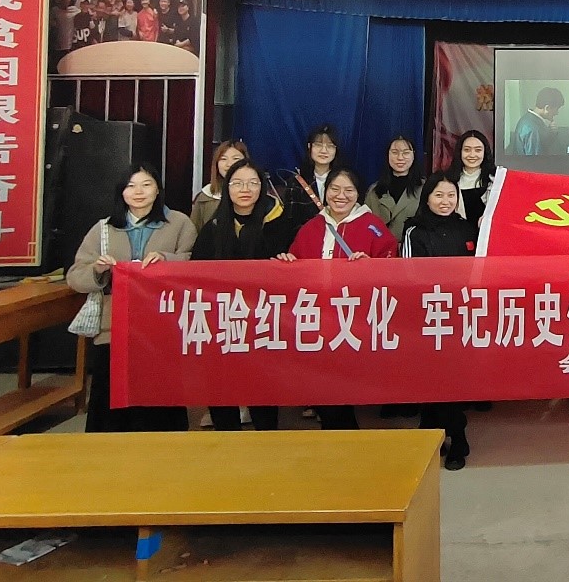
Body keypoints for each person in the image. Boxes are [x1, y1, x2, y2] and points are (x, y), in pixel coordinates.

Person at [67, 162, 196, 432]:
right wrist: (98, 270)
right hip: (114, 326)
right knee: (112, 397)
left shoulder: (180, 223)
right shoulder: (103, 229)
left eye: (146, 185)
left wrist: (166, 260)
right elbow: (75, 276)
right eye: (131, 186)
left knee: (160, 398)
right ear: (121, 192)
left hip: (163, 325)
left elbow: (194, 264)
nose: (138, 192)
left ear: (158, 190)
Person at [279, 168, 397, 429]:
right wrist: (288, 262)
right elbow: (295, 261)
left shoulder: (372, 225)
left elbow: (391, 263)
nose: (341, 196)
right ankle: (341, 432)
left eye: (349, 190)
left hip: (353, 317)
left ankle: (342, 432)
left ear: (358, 194)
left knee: (340, 382)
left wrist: (371, 265)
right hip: (318, 316)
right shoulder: (312, 227)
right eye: (334, 189)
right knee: (324, 382)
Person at [191, 159, 297, 431]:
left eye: (252, 183)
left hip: (263, 319)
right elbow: (195, 274)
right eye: (237, 183)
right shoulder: (214, 227)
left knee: (262, 386)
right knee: (221, 384)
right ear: (227, 188)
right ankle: (227, 437)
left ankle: (265, 439)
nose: (245, 189)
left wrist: (287, 262)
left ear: (262, 188)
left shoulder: (278, 223)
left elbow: (294, 271)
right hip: (223, 320)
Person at [401, 173, 479, 470]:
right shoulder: (414, 230)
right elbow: (410, 276)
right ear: (427, 198)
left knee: (452, 378)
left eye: (451, 195)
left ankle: (445, 434)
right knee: (431, 377)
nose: (446, 201)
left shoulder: (466, 228)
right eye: (439, 195)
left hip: (461, 315)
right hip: (426, 316)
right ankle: (454, 436)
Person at [284, 123, 343, 230]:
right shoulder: (296, 182)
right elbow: (290, 221)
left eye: (330, 146)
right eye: (318, 145)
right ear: (309, 147)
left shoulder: (345, 181)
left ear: (336, 150)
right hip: (306, 237)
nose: (324, 151)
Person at [365, 135, 424, 241]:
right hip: (380, 248)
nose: (400, 158)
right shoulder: (374, 190)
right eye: (395, 152)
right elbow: (366, 224)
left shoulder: (424, 188)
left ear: (414, 155)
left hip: (412, 247)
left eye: (406, 153)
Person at [191, 140, 250, 232]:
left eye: (235, 159)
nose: (229, 164)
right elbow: (194, 232)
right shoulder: (205, 196)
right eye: (223, 159)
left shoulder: (256, 194)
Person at [448, 130, 494, 227]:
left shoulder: (495, 180)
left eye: (478, 150)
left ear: (485, 152)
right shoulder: (448, 180)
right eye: (467, 150)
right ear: (460, 152)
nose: (472, 155)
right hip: (457, 232)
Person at [510, 87, 564, 156]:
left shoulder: (528, 119)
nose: (557, 113)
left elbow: (542, 145)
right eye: (556, 109)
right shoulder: (533, 129)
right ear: (547, 108)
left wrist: (551, 134)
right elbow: (536, 160)